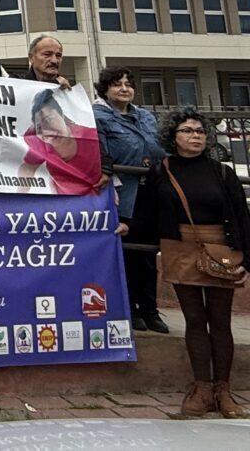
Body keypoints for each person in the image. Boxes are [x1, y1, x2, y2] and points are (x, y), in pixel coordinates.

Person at [127, 108, 250, 418]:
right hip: (179, 248)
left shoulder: (222, 172)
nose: (195, 136)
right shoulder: (162, 171)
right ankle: (201, 388)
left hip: (219, 249)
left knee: (220, 321)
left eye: (200, 131)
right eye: (188, 130)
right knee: (194, 320)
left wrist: (247, 258)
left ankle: (224, 389)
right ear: (174, 136)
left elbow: (242, 217)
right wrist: (125, 227)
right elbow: (146, 214)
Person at [93, 67, 168, 334]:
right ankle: (130, 308)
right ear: (105, 90)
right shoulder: (98, 116)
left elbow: (158, 149)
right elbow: (105, 154)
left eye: (128, 84)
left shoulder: (145, 116)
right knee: (126, 254)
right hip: (123, 192)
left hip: (150, 191)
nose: (124, 89)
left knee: (148, 254)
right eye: (117, 85)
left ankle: (150, 309)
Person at [17, 89, 101, 195]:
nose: (47, 131)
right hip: (65, 205)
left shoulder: (91, 136)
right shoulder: (39, 142)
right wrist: (19, 197)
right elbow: (28, 167)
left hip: (99, 202)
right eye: (39, 127)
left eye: (48, 120)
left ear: (62, 114)